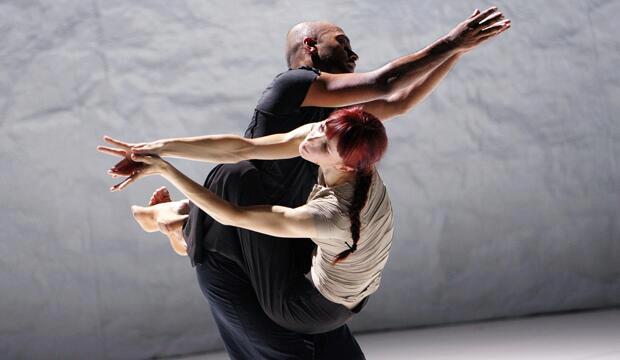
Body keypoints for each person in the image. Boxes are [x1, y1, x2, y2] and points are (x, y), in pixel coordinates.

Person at [98, 7, 510, 359]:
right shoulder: (293, 85)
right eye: (341, 42)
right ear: (311, 48)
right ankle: (181, 226)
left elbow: (398, 102)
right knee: (239, 219)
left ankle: (176, 223)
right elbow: (241, 150)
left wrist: (457, 52)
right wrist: (451, 41)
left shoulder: (333, 125)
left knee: (271, 231)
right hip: (245, 204)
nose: (353, 53)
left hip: (284, 224)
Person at [102, 107, 391, 333]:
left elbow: (232, 216)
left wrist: (165, 169)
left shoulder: (334, 214)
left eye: (325, 147)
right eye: (323, 127)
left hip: (307, 310)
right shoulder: (354, 158)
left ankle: (178, 227)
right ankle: (181, 220)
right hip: (331, 272)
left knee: (238, 202)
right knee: (240, 175)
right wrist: (154, 148)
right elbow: (244, 148)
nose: (313, 139)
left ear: (344, 165)